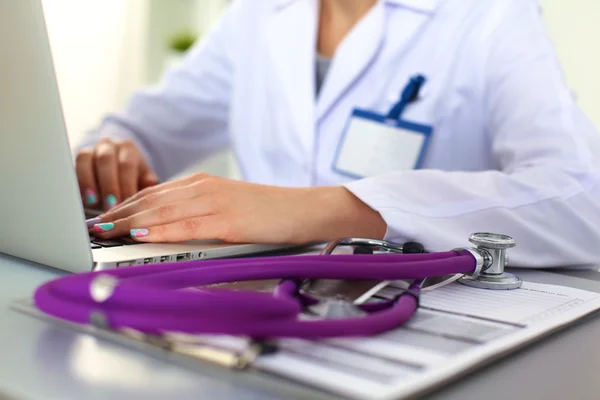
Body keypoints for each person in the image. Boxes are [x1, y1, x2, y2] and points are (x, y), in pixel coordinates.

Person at [75, 0, 600, 268]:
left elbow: (582, 199)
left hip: (412, 316)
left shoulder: (488, 15)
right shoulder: (260, 13)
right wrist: (112, 152)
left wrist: (327, 208)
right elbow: (147, 126)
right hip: (254, 308)